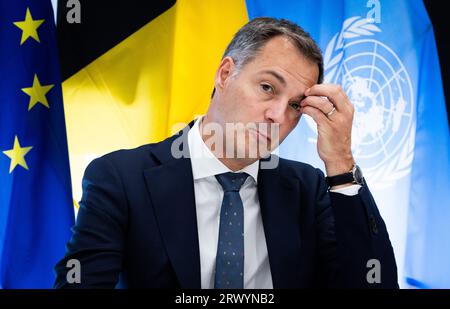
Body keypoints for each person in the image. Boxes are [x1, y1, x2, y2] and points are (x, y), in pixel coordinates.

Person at [54, 17, 398, 288]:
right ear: (225, 74)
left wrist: (340, 162)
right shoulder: (121, 178)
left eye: (295, 105)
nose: (278, 115)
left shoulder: (308, 189)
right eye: (267, 88)